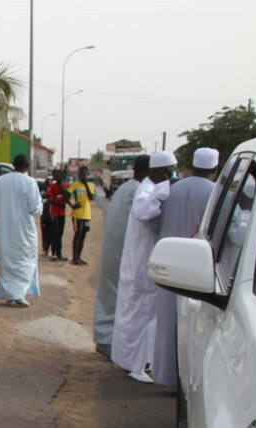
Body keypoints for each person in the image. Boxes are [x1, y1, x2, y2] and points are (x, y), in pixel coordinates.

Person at [150, 147, 218, 385]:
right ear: (215, 169)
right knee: (196, 329)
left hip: (169, 263)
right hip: (199, 268)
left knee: (168, 323)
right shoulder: (215, 192)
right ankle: (191, 382)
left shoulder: (173, 189)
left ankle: (166, 375)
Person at [111, 150, 177, 383]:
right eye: (170, 171)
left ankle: (137, 361)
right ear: (161, 171)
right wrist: (166, 189)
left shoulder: (150, 188)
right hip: (140, 264)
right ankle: (134, 365)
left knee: (142, 314)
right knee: (139, 314)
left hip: (142, 261)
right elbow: (143, 211)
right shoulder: (146, 189)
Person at [93, 155, 150, 357]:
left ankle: (104, 339)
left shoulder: (124, 189)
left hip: (114, 253)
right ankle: (113, 344)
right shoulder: (139, 192)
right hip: (124, 255)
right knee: (123, 300)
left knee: (109, 297)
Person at [0, 154, 43, 307]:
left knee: (7, 260)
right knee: (24, 261)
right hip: (25, 229)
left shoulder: (1, 181)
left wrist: (4, 218)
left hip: (6, 228)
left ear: (13, 164)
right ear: (27, 166)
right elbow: (36, 208)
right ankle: (18, 294)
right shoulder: (30, 182)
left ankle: (10, 294)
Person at [66, 166, 97, 265]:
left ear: (87, 175)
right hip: (77, 214)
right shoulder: (75, 185)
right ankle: (74, 258)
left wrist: (86, 185)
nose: (83, 176)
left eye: (85, 174)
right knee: (77, 234)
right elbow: (65, 194)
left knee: (83, 234)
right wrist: (72, 205)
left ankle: (79, 257)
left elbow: (91, 197)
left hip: (87, 214)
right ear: (79, 175)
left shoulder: (91, 185)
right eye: (81, 174)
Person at [45, 169, 70, 261]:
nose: (58, 177)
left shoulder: (66, 186)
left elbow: (68, 198)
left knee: (60, 233)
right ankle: (53, 253)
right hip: (54, 212)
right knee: (54, 232)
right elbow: (48, 198)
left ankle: (59, 253)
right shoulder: (52, 186)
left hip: (62, 213)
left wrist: (62, 188)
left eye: (60, 176)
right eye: (57, 176)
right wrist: (59, 204)